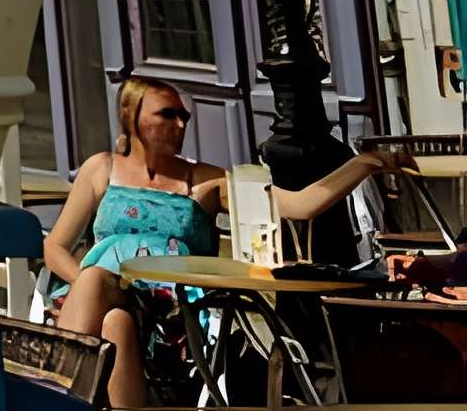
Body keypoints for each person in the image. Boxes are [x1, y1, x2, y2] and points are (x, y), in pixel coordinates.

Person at [44, 77, 411, 406]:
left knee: (115, 321)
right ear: (131, 116)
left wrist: (366, 163)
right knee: (108, 309)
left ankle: (51, 397)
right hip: (100, 292)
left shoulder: (205, 181)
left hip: (169, 308)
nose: (180, 125)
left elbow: (299, 206)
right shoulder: (102, 169)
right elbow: (54, 246)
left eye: (184, 117)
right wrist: (85, 288)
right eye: (167, 114)